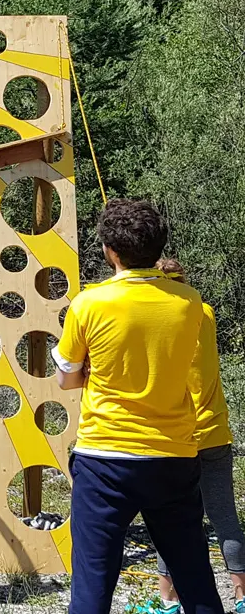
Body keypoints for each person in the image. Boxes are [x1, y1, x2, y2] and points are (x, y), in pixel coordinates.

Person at [53, 199, 221, 614]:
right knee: (194, 575)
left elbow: (67, 378)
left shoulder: (88, 303)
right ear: (159, 245)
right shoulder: (189, 302)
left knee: (93, 581)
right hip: (173, 455)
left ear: (110, 251)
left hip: (104, 459)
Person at [139, 258, 245, 614]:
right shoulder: (206, 312)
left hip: (176, 437)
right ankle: (242, 596)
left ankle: (168, 600)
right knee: (225, 518)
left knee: (170, 521)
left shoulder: (163, 316)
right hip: (215, 432)